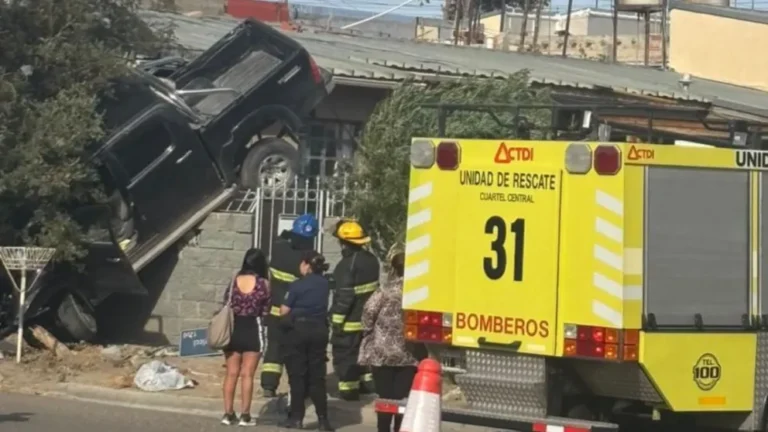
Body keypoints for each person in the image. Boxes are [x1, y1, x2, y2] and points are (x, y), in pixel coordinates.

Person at [359, 244, 426, 432]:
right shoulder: (419, 293)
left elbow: (369, 311)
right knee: (402, 398)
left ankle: (383, 429)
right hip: (408, 354)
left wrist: (368, 330)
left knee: (385, 397)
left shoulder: (385, 290)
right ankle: (400, 428)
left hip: (382, 354)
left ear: (394, 268)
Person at [261, 213, 319, 397]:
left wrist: (287, 235)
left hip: (276, 312)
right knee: (300, 352)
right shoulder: (310, 259)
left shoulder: (278, 250)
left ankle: (269, 385)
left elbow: (282, 240)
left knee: (274, 349)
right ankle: (302, 388)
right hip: (298, 315)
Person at [279, 250, 335, 431]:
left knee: (297, 376)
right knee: (317, 378)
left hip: (298, 332)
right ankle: (323, 420)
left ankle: (296, 418)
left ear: (306, 265)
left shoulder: (297, 285)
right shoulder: (325, 284)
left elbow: (283, 311)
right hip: (319, 330)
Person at [329, 219, 379, 401]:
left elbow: (345, 298)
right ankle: (367, 384)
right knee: (364, 352)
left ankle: (349, 390)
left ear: (345, 242)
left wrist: (336, 321)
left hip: (349, 322)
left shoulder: (347, 265)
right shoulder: (372, 261)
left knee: (345, 355)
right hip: (368, 319)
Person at [221, 248, 271, 426]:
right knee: (247, 374)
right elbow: (266, 309)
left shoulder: (234, 280)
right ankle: (245, 415)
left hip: (234, 328)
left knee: (231, 373)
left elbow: (226, 300)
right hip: (253, 328)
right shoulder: (263, 283)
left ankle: (227, 414)